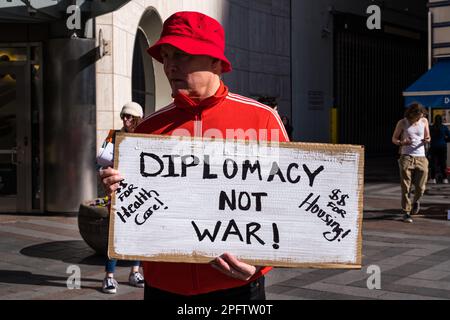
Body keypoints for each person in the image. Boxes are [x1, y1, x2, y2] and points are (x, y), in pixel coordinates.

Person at [99, 11, 289, 300]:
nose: (170, 66)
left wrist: (261, 262)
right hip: (164, 285)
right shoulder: (147, 129)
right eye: (165, 56)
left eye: (182, 55)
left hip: (237, 286)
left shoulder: (261, 119)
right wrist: (119, 193)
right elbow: (135, 210)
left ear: (216, 62)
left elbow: (292, 202)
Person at [99, 102, 146, 294]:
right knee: (115, 234)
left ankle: (135, 272)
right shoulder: (112, 135)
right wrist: (104, 171)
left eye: (129, 116)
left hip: (139, 191)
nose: (125, 120)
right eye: (123, 116)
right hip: (118, 192)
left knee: (138, 233)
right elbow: (100, 162)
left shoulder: (145, 135)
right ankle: (109, 277)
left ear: (137, 118)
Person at [391, 103, 431, 223]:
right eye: (417, 116)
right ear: (411, 114)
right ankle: (406, 212)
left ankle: (416, 201)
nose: (419, 118)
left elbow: (428, 136)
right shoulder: (402, 123)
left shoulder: (424, 121)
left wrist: (427, 140)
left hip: (421, 157)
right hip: (406, 157)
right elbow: (394, 139)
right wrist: (402, 142)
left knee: (420, 187)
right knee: (406, 186)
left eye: (421, 115)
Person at [428, 114, 450, 184]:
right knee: (443, 162)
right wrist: (444, 140)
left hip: (433, 147)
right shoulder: (444, 127)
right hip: (442, 147)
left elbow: (428, 137)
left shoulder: (431, 128)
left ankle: (433, 178)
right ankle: (445, 178)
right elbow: (449, 137)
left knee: (433, 163)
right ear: (441, 120)